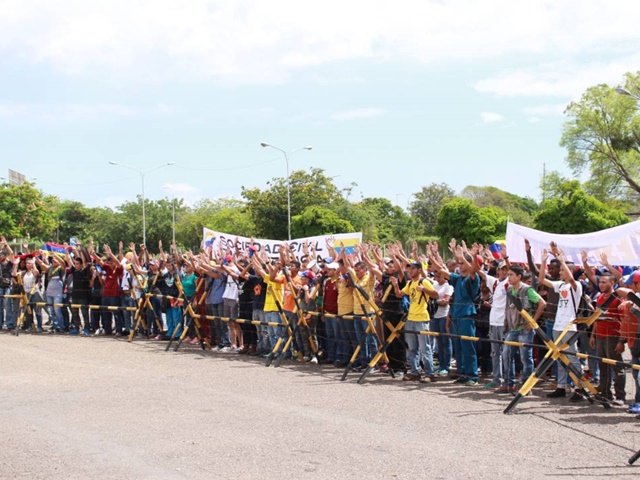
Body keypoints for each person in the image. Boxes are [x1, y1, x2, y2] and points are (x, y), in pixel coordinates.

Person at [538, 246, 584, 400]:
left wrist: (562, 260)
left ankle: (579, 387)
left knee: (571, 357)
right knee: (559, 356)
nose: (560, 272)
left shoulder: (576, 286)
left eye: (563, 270)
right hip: (557, 325)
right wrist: (543, 262)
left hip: (569, 326)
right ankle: (561, 386)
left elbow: (571, 278)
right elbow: (541, 280)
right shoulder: (560, 285)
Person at [500, 265, 546, 393]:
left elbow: (542, 303)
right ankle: (508, 383)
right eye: (508, 275)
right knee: (506, 354)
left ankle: (526, 386)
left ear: (519, 277)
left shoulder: (527, 290)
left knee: (526, 357)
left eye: (511, 275)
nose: (508, 277)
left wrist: (533, 321)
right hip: (513, 328)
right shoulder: (509, 290)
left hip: (525, 329)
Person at [390, 261, 438, 382]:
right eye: (409, 269)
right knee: (412, 348)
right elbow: (399, 294)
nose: (410, 271)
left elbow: (436, 295)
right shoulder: (410, 283)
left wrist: (423, 289)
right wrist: (395, 285)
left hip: (422, 319)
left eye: (412, 269)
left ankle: (429, 374)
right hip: (410, 318)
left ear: (419, 270)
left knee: (425, 348)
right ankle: (414, 372)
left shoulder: (424, 282)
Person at [589, 272, 625, 405]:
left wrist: (621, 341)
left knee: (616, 366)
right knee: (603, 366)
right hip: (600, 336)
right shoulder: (599, 298)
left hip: (613, 336)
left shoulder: (618, 299)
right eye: (600, 282)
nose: (601, 284)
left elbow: (624, 321)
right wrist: (593, 335)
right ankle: (605, 393)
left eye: (604, 282)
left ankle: (620, 396)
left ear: (612, 283)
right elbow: (596, 319)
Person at [478, 259, 510, 390]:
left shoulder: (510, 283)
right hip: (493, 322)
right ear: (497, 271)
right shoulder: (495, 283)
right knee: (494, 352)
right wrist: (471, 256)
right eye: (501, 269)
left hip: (504, 322)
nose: (503, 271)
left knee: (506, 353)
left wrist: (506, 258)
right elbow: (478, 271)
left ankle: (508, 381)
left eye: (506, 269)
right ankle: (496, 378)